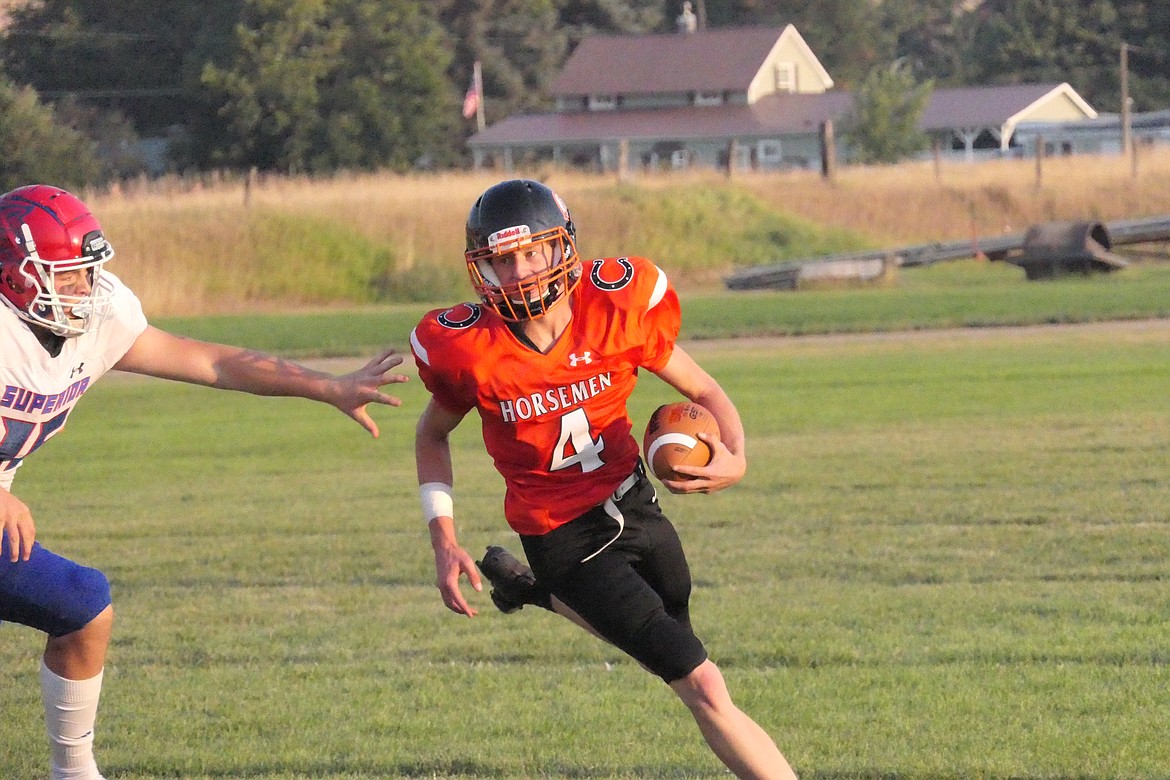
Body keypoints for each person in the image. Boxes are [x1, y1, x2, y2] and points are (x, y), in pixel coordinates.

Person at [0, 184, 409, 780]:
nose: (84, 291)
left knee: (83, 604)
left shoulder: (100, 316)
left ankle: (75, 772)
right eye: (64, 278)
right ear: (15, 275)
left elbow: (209, 361)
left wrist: (325, 386)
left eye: (85, 273)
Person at [410, 178, 798, 780]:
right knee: (703, 684)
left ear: (562, 247)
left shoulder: (613, 309)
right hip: (562, 535)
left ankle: (532, 592)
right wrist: (443, 537)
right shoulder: (471, 351)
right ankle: (545, 582)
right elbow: (431, 434)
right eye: (502, 259)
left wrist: (738, 455)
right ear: (482, 269)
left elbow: (704, 390)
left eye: (531, 252)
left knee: (675, 637)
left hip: (634, 502)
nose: (519, 272)